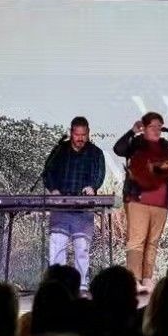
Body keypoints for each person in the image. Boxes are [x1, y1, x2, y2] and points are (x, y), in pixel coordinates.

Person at [113, 112, 168, 294]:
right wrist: (131, 132)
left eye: (159, 126)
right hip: (138, 198)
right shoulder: (135, 143)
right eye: (152, 126)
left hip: (161, 201)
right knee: (137, 240)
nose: (156, 130)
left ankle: (147, 278)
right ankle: (134, 279)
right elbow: (118, 149)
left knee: (153, 241)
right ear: (143, 128)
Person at [41, 116, 106, 290]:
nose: (80, 139)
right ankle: (56, 285)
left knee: (82, 248)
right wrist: (53, 189)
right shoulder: (60, 151)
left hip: (83, 210)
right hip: (60, 207)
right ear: (71, 133)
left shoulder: (96, 153)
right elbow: (47, 172)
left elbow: (99, 174)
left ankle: (82, 285)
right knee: (57, 245)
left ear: (88, 133)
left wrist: (93, 187)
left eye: (84, 135)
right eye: (77, 135)